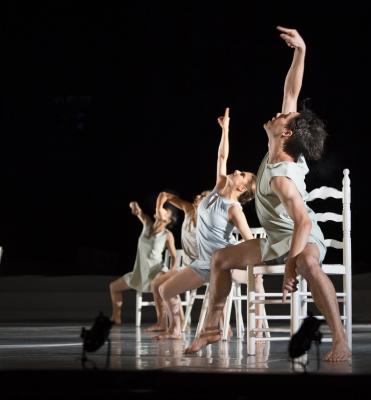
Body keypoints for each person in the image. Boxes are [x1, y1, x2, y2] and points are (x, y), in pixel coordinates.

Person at [185, 26, 351, 362]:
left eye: (284, 117)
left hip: (304, 238)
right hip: (276, 239)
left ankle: (340, 340)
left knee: (307, 261)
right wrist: (301, 51)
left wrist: (291, 265)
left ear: (286, 132)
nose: (279, 113)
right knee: (220, 259)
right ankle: (211, 328)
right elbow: (292, 89)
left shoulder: (282, 178)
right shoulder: (280, 147)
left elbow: (304, 223)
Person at [153, 107, 258, 340]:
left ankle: (251, 327)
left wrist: (253, 271)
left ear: (241, 188)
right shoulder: (216, 191)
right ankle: (176, 330)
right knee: (164, 290)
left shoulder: (234, 208)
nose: (237, 170)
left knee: (250, 281)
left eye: (242, 174)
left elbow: (251, 242)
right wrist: (225, 130)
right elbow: (222, 158)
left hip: (224, 264)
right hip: (203, 263)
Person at [143, 190, 210, 332]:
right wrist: (159, 209)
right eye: (199, 194)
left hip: (201, 268)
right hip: (186, 266)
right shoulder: (189, 209)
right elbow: (165, 195)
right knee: (156, 284)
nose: (197, 196)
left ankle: (176, 327)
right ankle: (162, 323)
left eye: (203, 196)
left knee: (166, 287)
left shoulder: (210, 219)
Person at [109, 201, 177, 325]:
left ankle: (162, 322)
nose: (161, 209)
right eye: (161, 208)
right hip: (140, 272)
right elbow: (138, 211)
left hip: (156, 270)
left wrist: (172, 272)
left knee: (159, 284)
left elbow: (174, 256)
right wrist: (133, 205)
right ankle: (116, 317)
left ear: (169, 220)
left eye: (165, 210)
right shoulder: (147, 224)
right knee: (114, 287)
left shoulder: (167, 235)